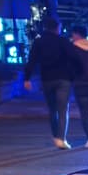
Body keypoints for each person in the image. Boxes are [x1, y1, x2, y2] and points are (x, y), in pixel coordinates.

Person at [23, 16, 75, 149]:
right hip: (63, 78)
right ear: (57, 27)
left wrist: (27, 78)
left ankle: (55, 136)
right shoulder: (63, 41)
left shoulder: (38, 42)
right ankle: (61, 138)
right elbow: (73, 58)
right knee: (63, 109)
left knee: (53, 110)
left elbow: (32, 61)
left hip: (47, 79)